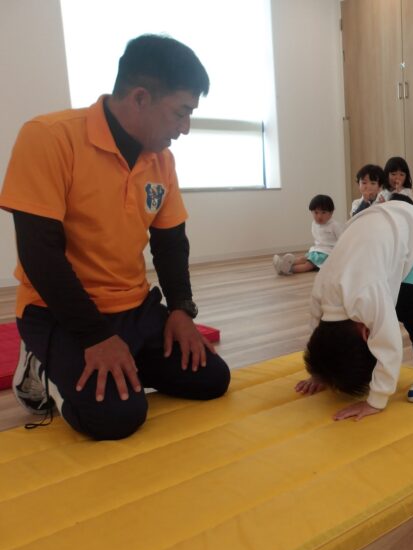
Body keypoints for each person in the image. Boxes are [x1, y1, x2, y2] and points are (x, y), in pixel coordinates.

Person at [1, 35, 230, 441]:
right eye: (180, 113)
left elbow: (170, 243)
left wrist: (181, 310)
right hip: (58, 312)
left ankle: (123, 357)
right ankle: (41, 365)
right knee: (116, 418)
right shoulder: (48, 137)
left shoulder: (162, 159)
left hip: (134, 309)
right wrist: (95, 337)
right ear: (140, 98)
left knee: (211, 379)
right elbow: (40, 255)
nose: (185, 128)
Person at [299, 200, 413, 421]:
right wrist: (320, 372)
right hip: (376, 221)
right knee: (391, 297)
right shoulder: (322, 291)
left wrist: (376, 400)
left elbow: (389, 344)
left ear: (365, 334)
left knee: (405, 302)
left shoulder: (367, 296)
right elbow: (316, 332)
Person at [273, 194, 343, 275]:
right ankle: (283, 263)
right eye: (316, 212)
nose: (319, 216)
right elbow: (318, 240)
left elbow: (343, 239)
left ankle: (289, 269)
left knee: (308, 265)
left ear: (331, 213)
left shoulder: (334, 225)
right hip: (317, 250)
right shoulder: (314, 224)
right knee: (303, 258)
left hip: (328, 253)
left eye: (323, 212)